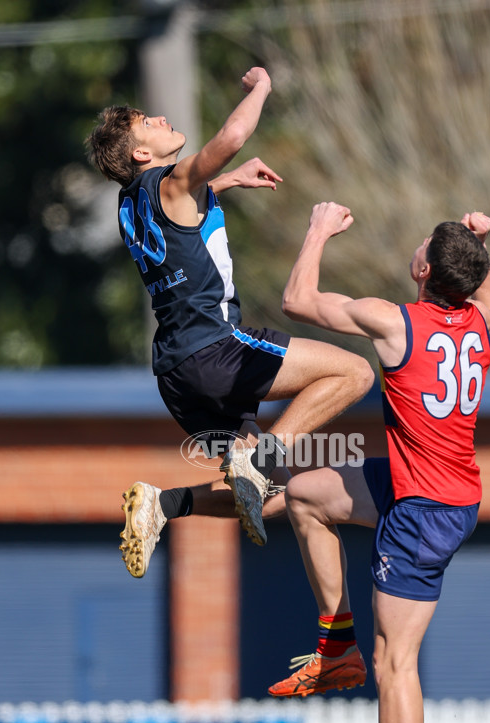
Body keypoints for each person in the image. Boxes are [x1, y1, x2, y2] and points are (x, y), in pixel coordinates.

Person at [267, 204, 490, 723]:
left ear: (425, 268)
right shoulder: (484, 323)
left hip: (423, 509)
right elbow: (487, 292)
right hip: (427, 487)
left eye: (426, 244)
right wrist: (480, 244)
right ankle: (333, 646)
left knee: (396, 664)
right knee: (309, 493)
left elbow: (297, 301)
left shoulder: (397, 321)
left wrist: (317, 228)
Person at [85, 67, 373, 575]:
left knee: (272, 496)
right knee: (355, 373)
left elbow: (181, 211)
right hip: (217, 350)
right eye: (147, 123)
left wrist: (229, 181)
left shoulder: (131, 202)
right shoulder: (171, 182)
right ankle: (261, 456)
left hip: (176, 374)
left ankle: (165, 504)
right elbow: (234, 136)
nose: (160, 117)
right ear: (141, 154)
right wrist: (261, 87)